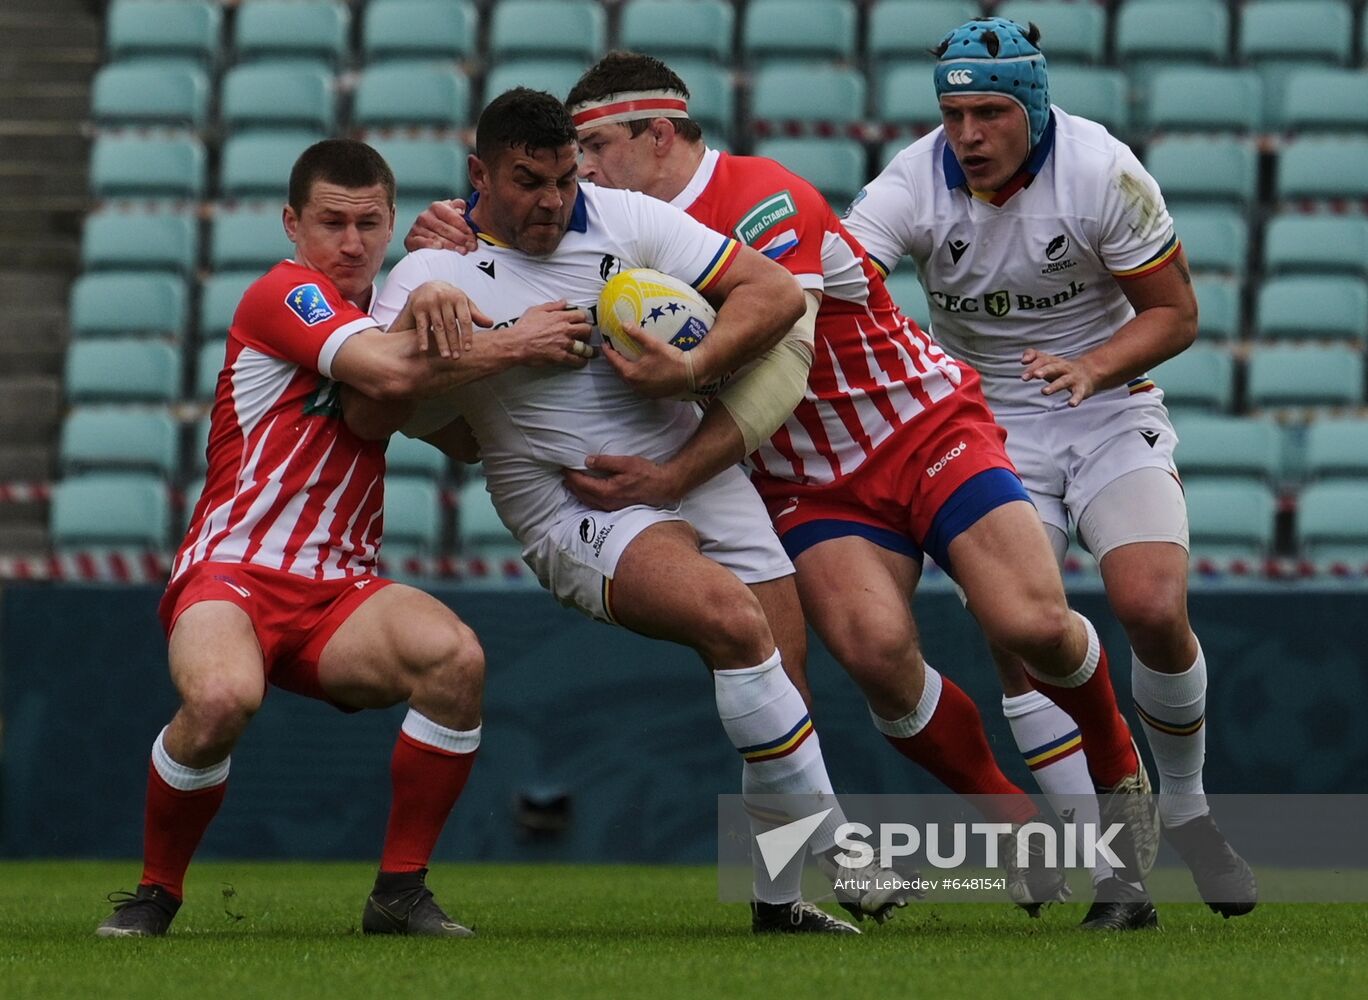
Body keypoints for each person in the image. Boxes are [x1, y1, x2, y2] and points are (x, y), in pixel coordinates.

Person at [407, 54, 1160, 929]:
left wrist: (676, 447)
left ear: (658, 135)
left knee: (1028, 624)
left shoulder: (761, 195)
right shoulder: (587, 218)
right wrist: (451, 238)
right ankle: (1013, 827)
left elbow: (782, 370)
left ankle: (1119, 780)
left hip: (915, 425)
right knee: (870, 660)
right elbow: (484, 253)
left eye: (594, 148)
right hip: (803, 476)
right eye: (563, 161)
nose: (580, 176)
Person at [347, 87, 908, 935]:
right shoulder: (434, 273)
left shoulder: (624, 218)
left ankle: (779, 900)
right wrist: (496, 350)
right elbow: (372, 407)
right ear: (480, 175)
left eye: (565, 178)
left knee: (783, 673)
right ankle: (842, 849)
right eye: (529, 181)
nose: (552, 201)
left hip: (688, 470)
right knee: (732, 622)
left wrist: (688, 370)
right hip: (573, 500)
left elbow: (773, 293)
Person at [95, 138, 598, 939]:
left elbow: (459, 439)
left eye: (371, 223)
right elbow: (392, 377)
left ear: (393, 223)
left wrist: (455, 287)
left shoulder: (390, 316)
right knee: (222, 699)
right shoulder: (282, 294)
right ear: (293, 225)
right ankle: (156, 892)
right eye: (332, 222)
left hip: (338, 589)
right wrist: (518, 337)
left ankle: (398, 894)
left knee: (455, 659)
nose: (353, 242)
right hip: (234, 571)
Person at [843, 17, 1256, 920]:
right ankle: (1118, 872)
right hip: (984, 424)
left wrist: (1092, 366)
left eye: (989, 112)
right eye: (953, 114)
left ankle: (1184, 807)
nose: (968, 135)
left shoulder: (1103, 171)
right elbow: (840, 277)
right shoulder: (914, 178)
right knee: (1024, 634)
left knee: (1150, 605)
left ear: (1032, 105)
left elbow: (1176, 313)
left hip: (1107, 403)